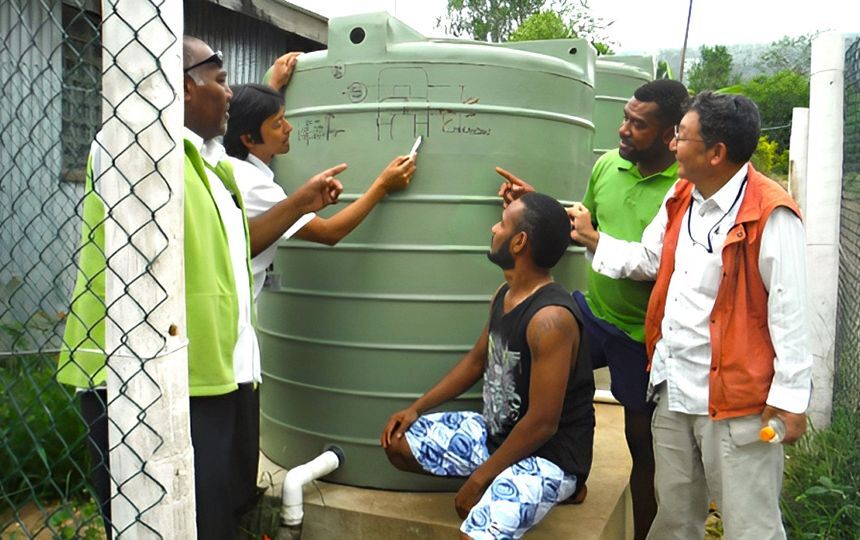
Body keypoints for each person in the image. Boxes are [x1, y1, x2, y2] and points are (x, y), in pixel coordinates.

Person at [57, 36, 344, 539]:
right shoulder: (133, 146)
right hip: (149, 374)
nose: (230, 92)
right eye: (222, 79)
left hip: (215, 371)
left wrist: (268, 96)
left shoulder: (211, 166)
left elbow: (238, 242)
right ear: (182, 88)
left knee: (215, 516)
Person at [569, 92, 811, 539]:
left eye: (682, 137)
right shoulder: (683, 196)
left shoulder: (770, 215)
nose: (674, 145)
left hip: (738, 405)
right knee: (674, 518)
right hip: (675, 390)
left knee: (749, 525)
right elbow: (650, 258)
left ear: (716, 153)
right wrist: (593, 239)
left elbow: (790, 312)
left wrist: (791, 400)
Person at [497, 79, 690, 539]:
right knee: (541, 379)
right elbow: (580, 229)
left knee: (641, 445)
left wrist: (592, 237)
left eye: (637, 125)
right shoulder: (607, 166)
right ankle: (570, 477)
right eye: (624, 118)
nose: (623, 130)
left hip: (641, 335)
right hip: (594, 312)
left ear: (669, 136)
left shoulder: (682, 190)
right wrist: (534, 208)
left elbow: (657, 265)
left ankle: (644, 532)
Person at [381, 192, 595, 540]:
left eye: (502, 224)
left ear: (519, 242)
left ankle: (565, 485)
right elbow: (476, 360)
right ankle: (512, 482)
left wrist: (480, 480)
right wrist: (416, 408)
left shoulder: (550, 319)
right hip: (497, 435)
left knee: (474, 535)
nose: (493, 228)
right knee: (399, 444)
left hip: (547, 454)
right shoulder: (504, 294)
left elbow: (543, 424)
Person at [222, 80, 416, 299]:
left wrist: (269, 88)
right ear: (249, 138)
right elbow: (329, 232)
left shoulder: (227, 163)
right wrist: (383, 185)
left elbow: (247, 117)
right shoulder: (256, 186)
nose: (289, 127)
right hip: (233, 305)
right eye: (278, 123)